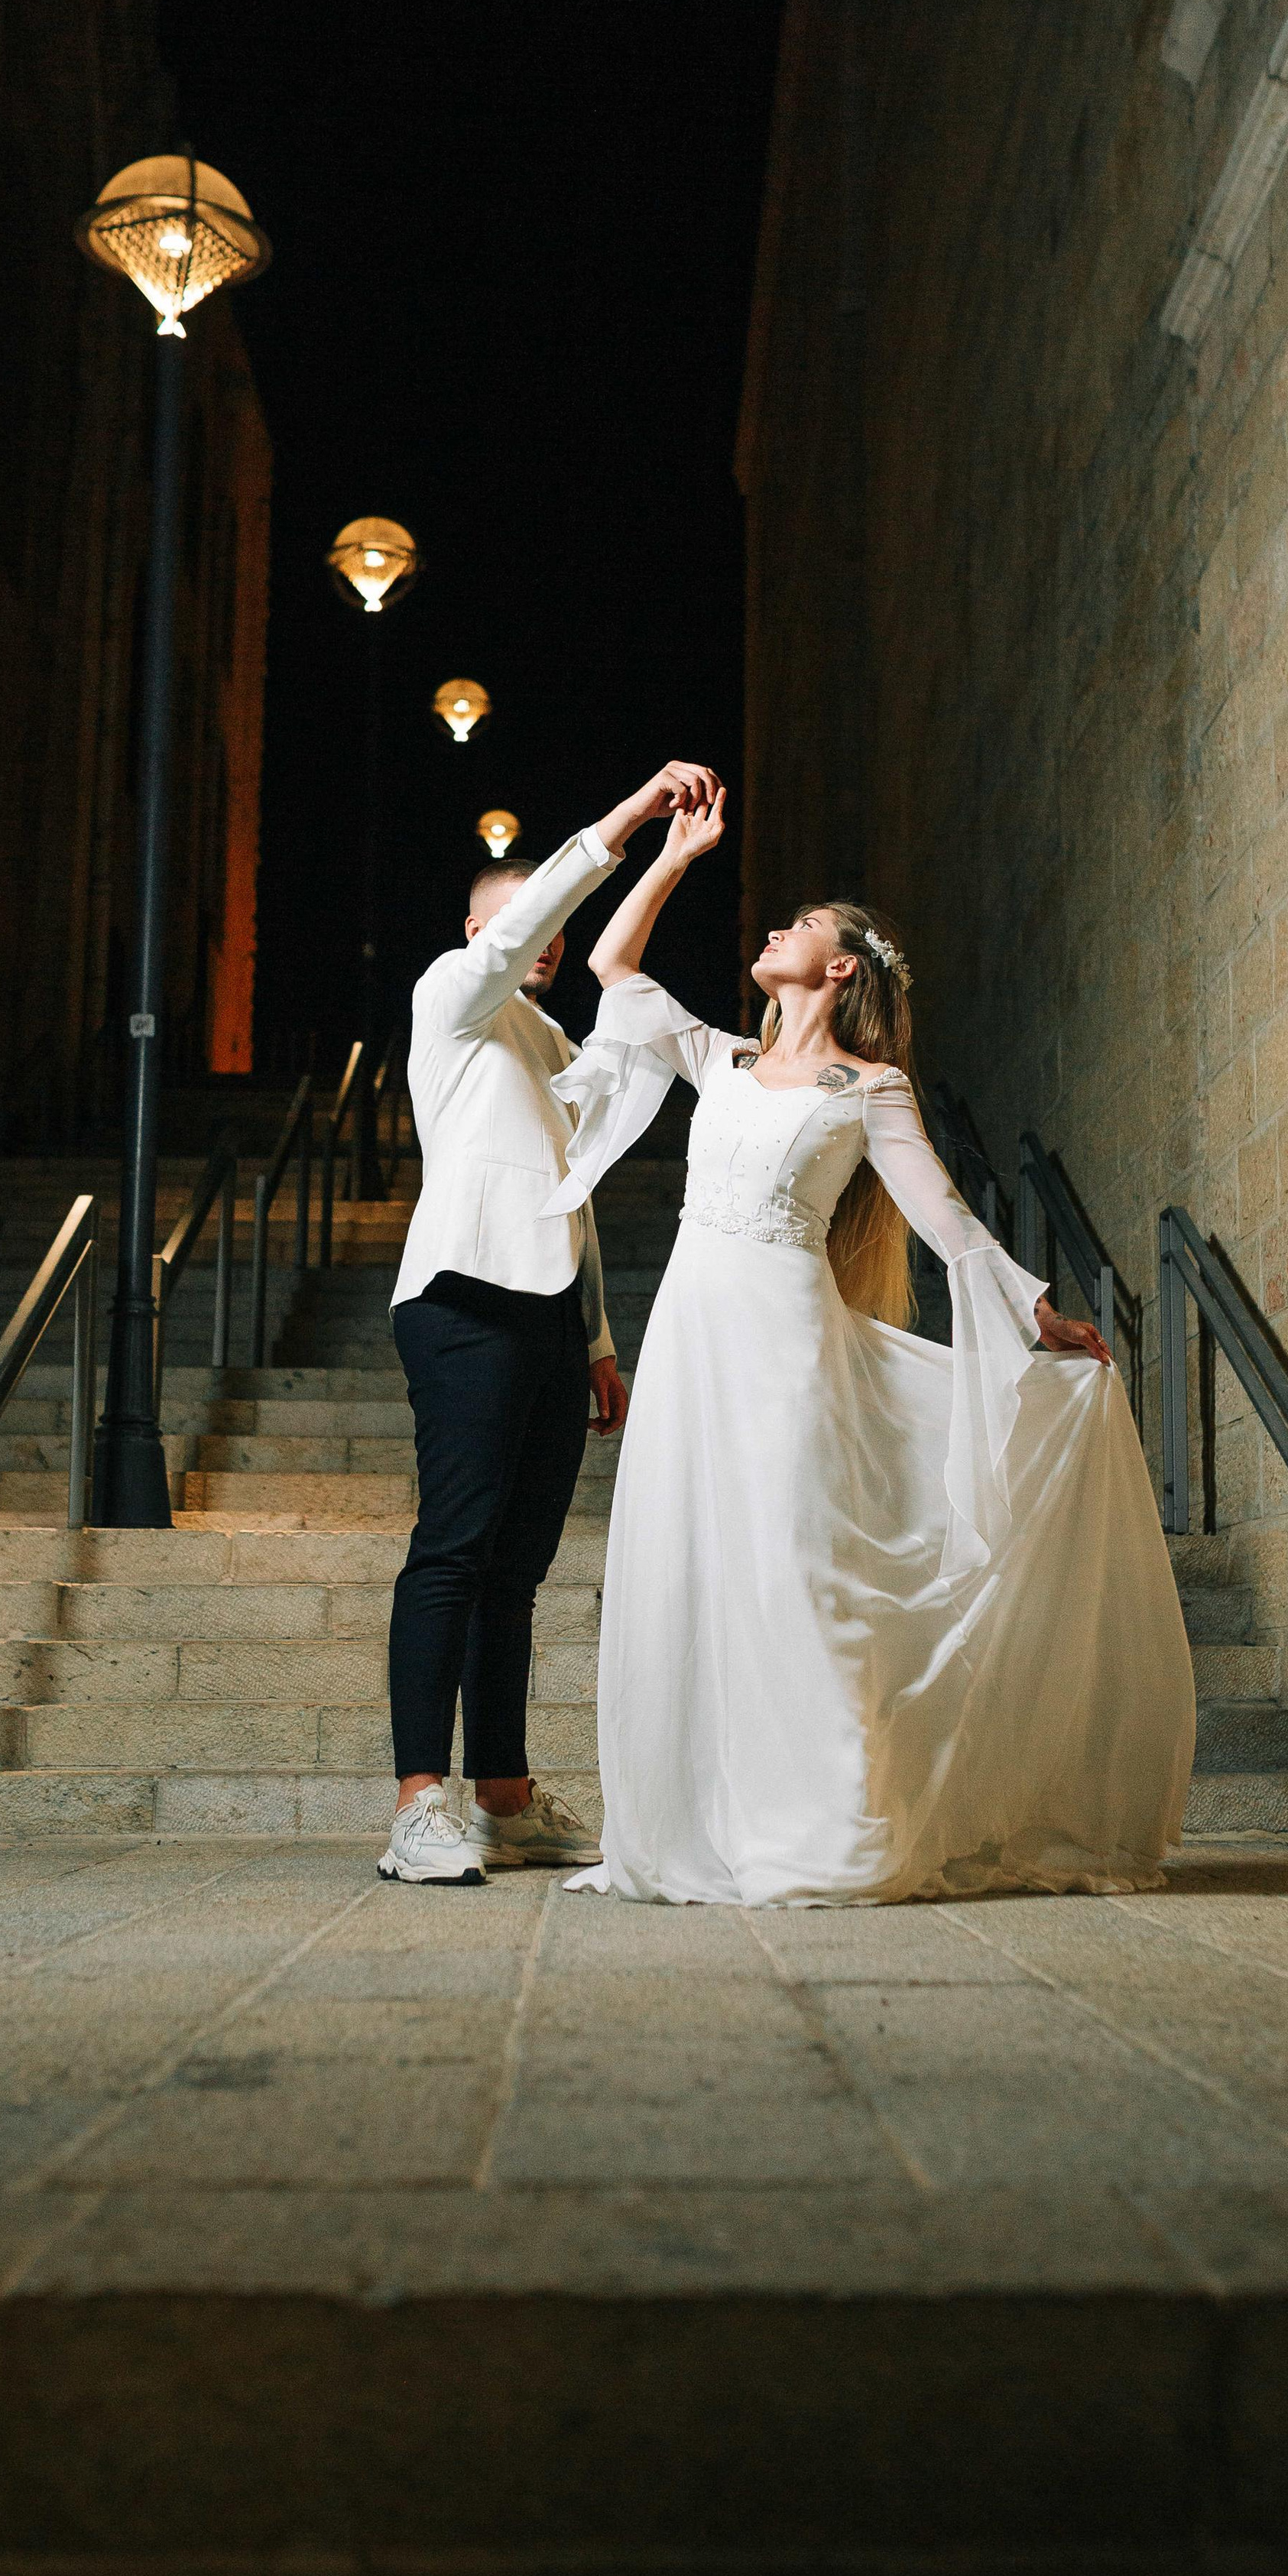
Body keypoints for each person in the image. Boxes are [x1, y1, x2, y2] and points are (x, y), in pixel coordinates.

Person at [542, 793, 1196, 1906]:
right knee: (693, 1560)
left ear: (841, 968)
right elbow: (611, 964)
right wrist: (674, 849)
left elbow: (940, 1210)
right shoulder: (723, 1058)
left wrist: (1028, 1307)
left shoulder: (869, 1087)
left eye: (800, 925)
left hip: (787, 1339)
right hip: (694, 1332)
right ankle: (705, 1822)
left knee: (797, 1558)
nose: (775, 931)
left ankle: (830, 1821)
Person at [378, 759, 722, 1887]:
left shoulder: (558, 1048)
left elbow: (575, 1196)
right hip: (462, 1299)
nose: (547, 939)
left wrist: (598, 1340)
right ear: (481, 931)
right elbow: (524, 923)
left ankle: (506, 1800)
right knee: (454, 1547)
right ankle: (418, 1805)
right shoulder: (452, 999)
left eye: (553, 930)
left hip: (548, 1317)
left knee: (517, 1570)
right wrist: (629, 821)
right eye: (522, 920)